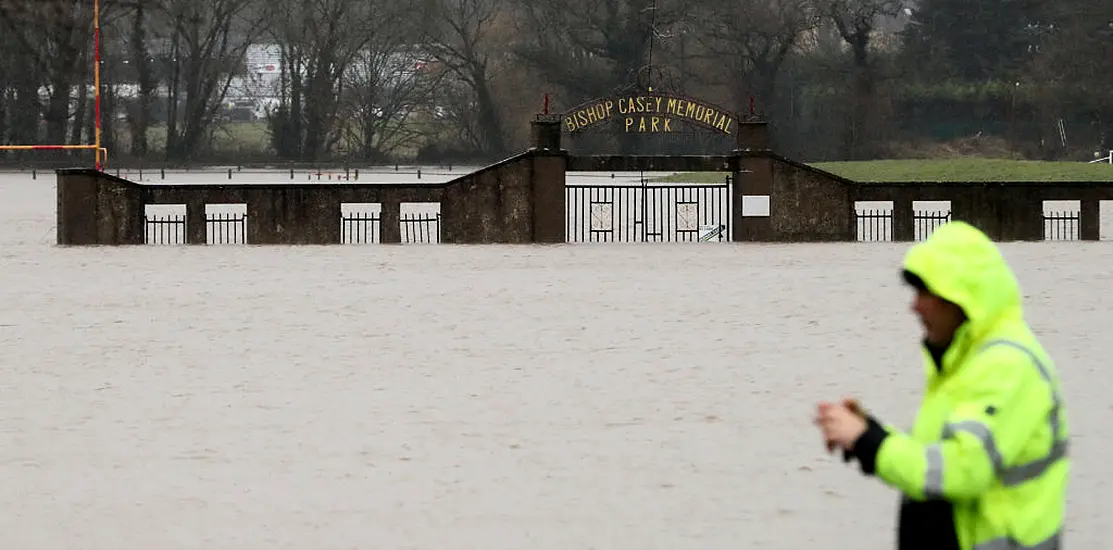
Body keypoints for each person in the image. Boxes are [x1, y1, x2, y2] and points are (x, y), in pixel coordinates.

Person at [814, 221, 1070, 550]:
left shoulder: (1008, 365)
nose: (914, 306)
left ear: (960, 296)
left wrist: (869, 442)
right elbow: (935, 460)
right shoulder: (964, 362)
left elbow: (963, 470)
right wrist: (872, 434)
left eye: (925, 292)